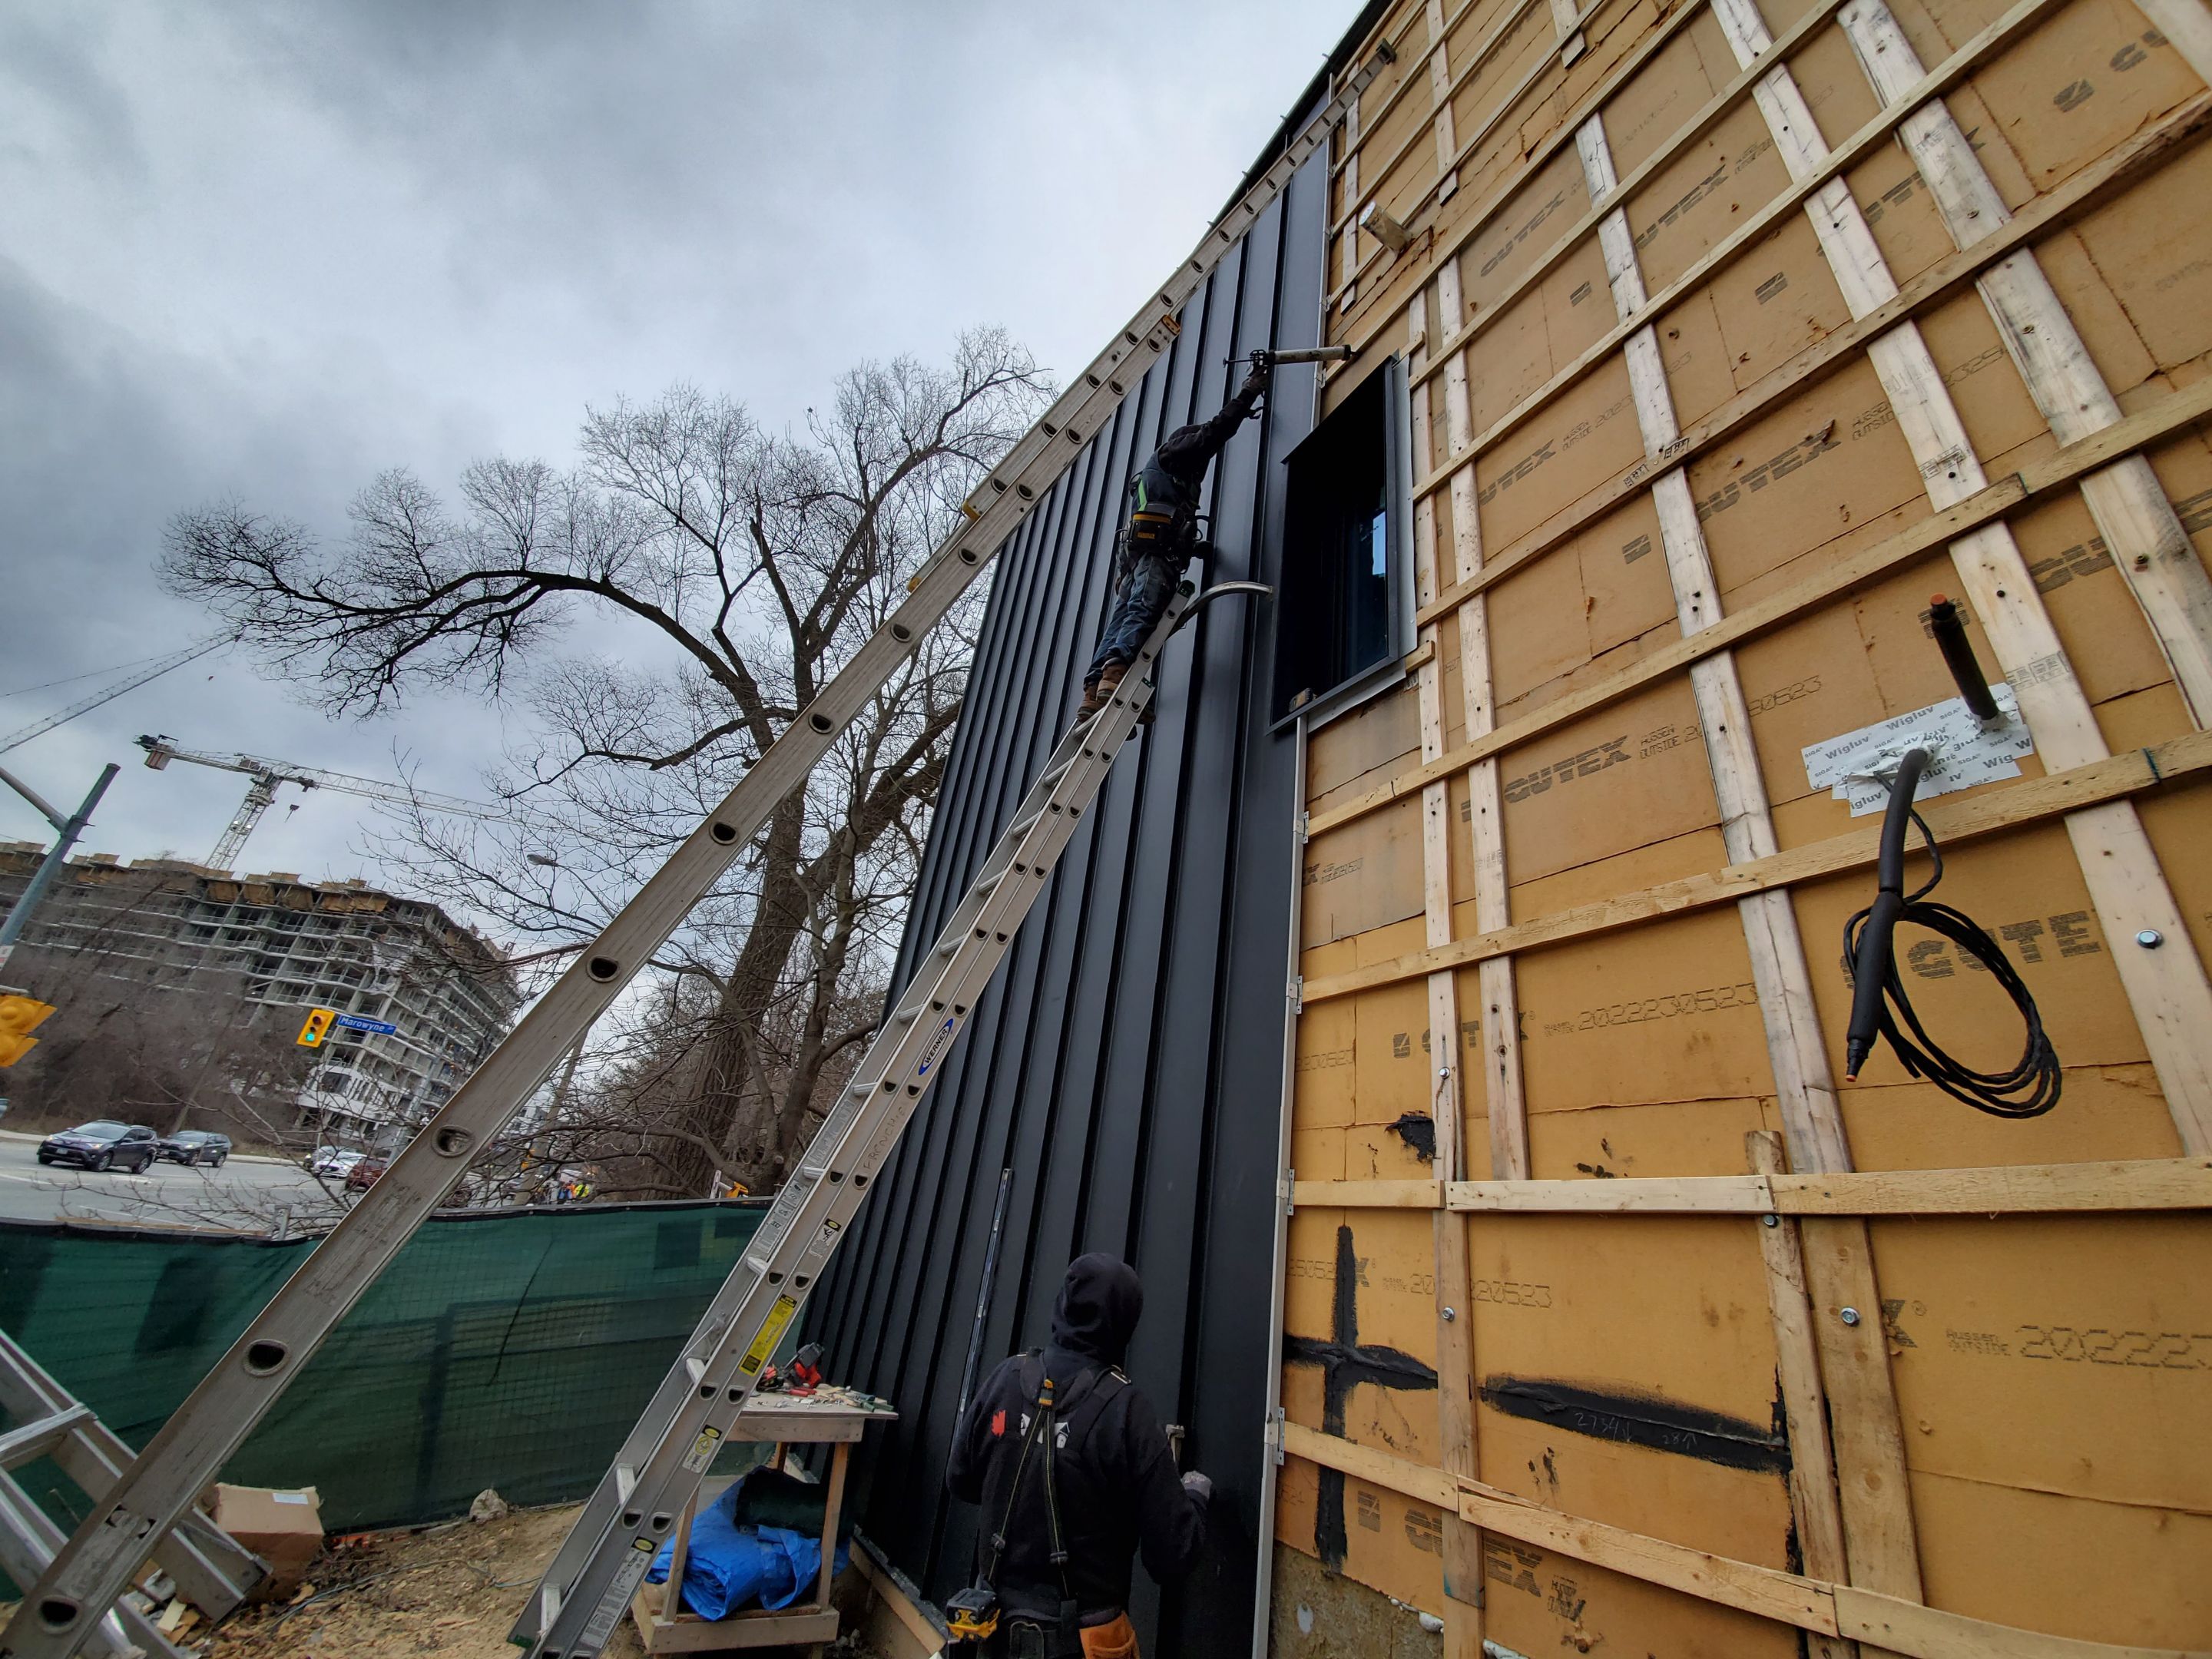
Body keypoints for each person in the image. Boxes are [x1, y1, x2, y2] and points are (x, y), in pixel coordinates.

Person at [945, 1254, 1211, 1657]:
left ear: (1063, 1304)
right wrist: (1195, 1496)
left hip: (992, 1636)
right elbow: (1173, 1555)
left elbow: (961, 1480)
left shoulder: (1008, 1377)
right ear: (1124, 1321)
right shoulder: (1126, 1409)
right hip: (1084, 1644)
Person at [1077, 356, 1272, 719]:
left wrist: (1193, 547)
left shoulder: (1150, 477)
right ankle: (1116, 675)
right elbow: (1214, 432)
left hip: (1135, 557)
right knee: (1145, 610)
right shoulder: (1174, 454)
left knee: (1122, 617)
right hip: (1157, 553)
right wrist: (1248, 394)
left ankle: (1094, 691)